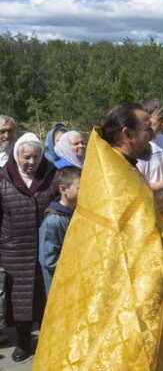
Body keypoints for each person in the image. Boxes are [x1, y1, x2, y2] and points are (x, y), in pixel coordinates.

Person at [34, 102, 163, 370]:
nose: (154, 135)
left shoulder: (120, 167)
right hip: (110, 297)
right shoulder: (113, 178)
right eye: (147, 129)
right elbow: (124, 248)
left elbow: (134, 228)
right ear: (127, 133)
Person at [0, 132, 57, 362]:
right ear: (16, 156)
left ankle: (49, 341)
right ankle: (23, 344)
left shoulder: (52, 177)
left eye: (35, 157)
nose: (31, 162)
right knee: (19, 301)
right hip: (13, 250)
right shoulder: (3, 179)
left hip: (45, 248)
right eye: (26, 157)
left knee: (46, 298)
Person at [38, 166, 80, 296]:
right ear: (63, 189)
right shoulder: (52, 221)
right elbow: (48, 260)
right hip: (60, 288)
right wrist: (76, 267)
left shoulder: (78, 214)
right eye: (80, 187)